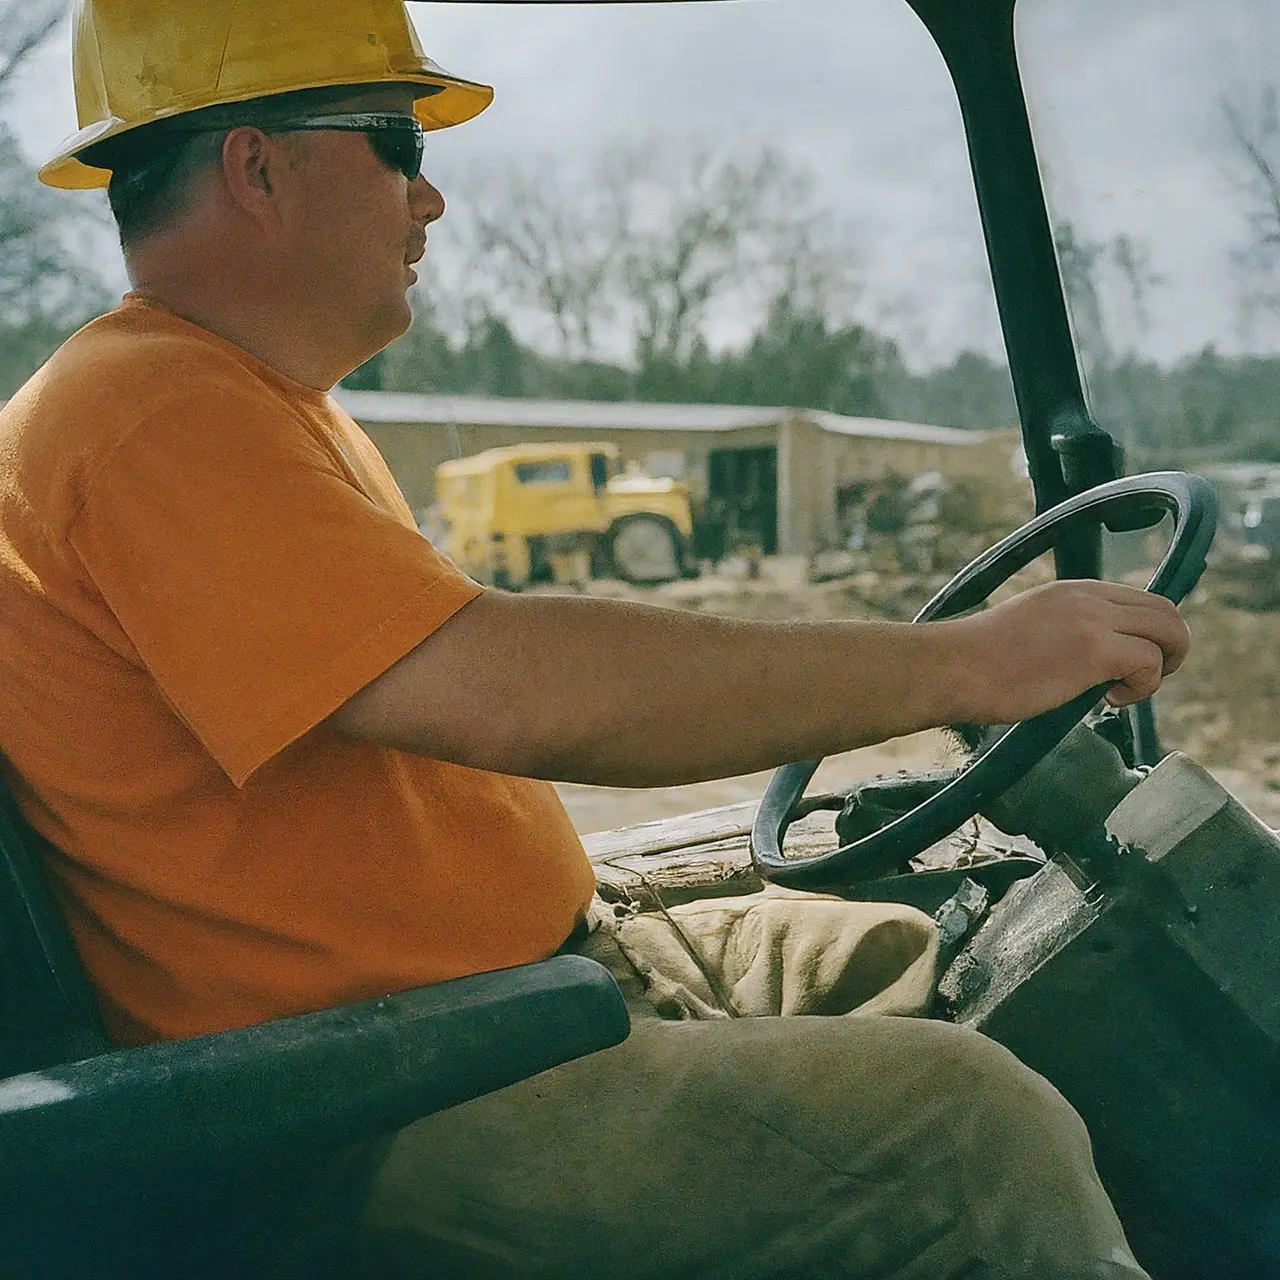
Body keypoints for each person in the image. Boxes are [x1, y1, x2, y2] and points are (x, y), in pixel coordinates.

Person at [1, 2, 1190, 1275]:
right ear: (258, 163)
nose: (430, 197)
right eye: (398, 140)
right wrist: (964, 662)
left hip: (523, 987)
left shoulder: (264, 408)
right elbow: (509, 687)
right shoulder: (145, 416)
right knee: (964, 1126)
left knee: (989, 955)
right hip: (371, 1104)